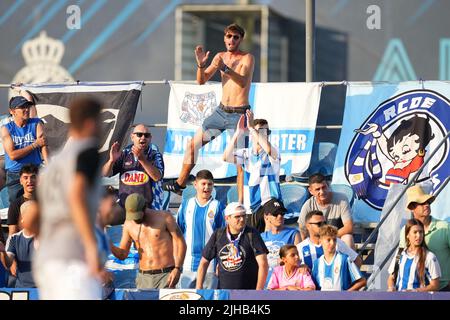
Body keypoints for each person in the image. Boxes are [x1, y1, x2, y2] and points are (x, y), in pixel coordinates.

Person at [163, 23, 255, 197]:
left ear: (241, 39)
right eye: (229, 36)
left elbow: (242, 81)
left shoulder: (247, 58)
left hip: (239, 115)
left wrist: (225, 68)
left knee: (239, 161)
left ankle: (241, 203)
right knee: (192, 145)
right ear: (225, 38)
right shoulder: (220, 56)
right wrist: (200, 65)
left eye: (236, 37)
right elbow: (201, 81)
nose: (232, 40)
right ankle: (179, 184)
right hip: (220, 113)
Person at [33, 96, 104, 299]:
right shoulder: (87, 152)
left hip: (46, 260)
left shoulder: (53, 164)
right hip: (73, 257)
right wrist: (91, 246)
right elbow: (76, 194)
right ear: (91, 123)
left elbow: (32, 218)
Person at [110, 193, 186, 289]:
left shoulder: (164, 217)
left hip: (166, 275)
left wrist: (178, 268)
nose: (135, 220)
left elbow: (180, 242)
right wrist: (109, 244)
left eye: (138, 216)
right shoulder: (128, 224)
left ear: (145, 207)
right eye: (132, 216)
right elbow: (122, 255)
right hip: (143, 278)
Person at [223, 111, 281, 233]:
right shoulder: (246, 154)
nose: (264, 135)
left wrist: (251, 128)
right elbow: (226, 157)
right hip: (251, 209)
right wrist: (238, 133)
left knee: (269, 244)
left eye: (267, 132)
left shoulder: (273, 152)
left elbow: (269, 149)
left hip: (269, 206)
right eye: (261, 131)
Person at [196, 202, 268, 290]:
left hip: (248, 292)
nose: (242, 219)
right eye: (237, 217)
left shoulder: (252, 233)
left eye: (244, 216)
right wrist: (199, 288)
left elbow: (263, 264)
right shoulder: (218, 234)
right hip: (224, 293)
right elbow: (204, 262)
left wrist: (259, 291)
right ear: (227, 218)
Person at [176, 169, 225, 289]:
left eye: (210, 184)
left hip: (210, 264)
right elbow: (177, 234)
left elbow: (223, 237)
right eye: (203, 184)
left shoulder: (218, 206)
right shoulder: (186, 205)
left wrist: (220, 263)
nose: (206, 187)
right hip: (188, 263)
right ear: (195, 185)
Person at [399, 184, 450, 291]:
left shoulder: (445, 227)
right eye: (421, 203)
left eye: (428, 202)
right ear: (412, 207)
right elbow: (401, 259)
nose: (426, 205)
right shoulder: (404, 231)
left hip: (444, 289)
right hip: (414, 292)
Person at [102, 124, 164, 211]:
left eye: (146, 135)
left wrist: (142, 159)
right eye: (139, 134)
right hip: (125, 206)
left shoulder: (155, 155)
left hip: (147, 208)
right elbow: (105, 174)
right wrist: (111, 161)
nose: (143, 138)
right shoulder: (124, 154)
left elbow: (157, 177)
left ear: (150, 138)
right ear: (132, 137)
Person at [1, 95, 48, 202]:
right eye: (22, 107)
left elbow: (43, 146)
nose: (26, 109)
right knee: (16, 205)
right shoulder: (6, 129)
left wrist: (49, 167)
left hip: (34, 170)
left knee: (40, 203)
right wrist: (34, 145)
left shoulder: (36, 123)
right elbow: (12, 155)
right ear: (12, 111)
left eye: (27, 106)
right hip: (15, 174)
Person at [297, 173, 354, 248]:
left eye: (324, 187)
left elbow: (349, 227)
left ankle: (349, 260)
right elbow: (302, 231)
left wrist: (328, 238)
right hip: (317, 242)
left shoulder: (341, 199)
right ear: (310, 191)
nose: (322, 192)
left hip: (336, 239)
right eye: (317, 189)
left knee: (348, 238)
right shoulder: (308, 205)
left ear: (328, 186)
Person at [388, 219, 441, 292]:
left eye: (421, 232)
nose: (418, 235)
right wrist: (391, 287)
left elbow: (435, 285)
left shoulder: (430, 257)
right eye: (415, 232)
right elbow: (391, 278)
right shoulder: (399, 253)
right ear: (407, 235)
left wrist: (415, 291)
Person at [297, 210, 361, 270]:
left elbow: (356, 260)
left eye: (324, 223)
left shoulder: (336, 242)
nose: (323, 226)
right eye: (319, 224)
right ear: (308, 226)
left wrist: (350, 278)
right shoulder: (300, 248)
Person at [312, 225, 366, 291]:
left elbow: (362, 281)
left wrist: (346, 294)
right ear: (320, 241)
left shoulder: (344, 259)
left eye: (334, 240)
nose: (332, 243)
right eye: (328, 240)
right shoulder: (317, 263)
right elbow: (313, 287)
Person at [260, 198, 300, 286]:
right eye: (275, 214)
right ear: (266, 217)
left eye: (282, 213)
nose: (280, 216)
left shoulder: (293, 234)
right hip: (266, 282)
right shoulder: (261, 237)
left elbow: (299, 259)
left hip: (286, 283)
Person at [0, 200, 38, 288]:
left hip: (45, 288)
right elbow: (8, 264)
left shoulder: (47, 237)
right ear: (22, 219)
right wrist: (3, 252)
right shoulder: (14, 238)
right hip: (22, 288)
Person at [7, 164, 39, 236]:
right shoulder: (15, 205)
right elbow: (12, 235)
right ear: (21, 181)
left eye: (33, 177)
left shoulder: (46, 201)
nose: (29, 181)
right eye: (25, 178)